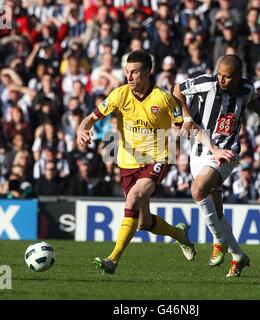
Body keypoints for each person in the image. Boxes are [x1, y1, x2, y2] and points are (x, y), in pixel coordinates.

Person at [76, 50, 195, 274]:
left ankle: (112, 260)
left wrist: (184, 131)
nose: (129, 77)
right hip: (127, 162)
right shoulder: (120, 94)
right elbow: (90, 118)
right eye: (127, 72)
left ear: (148, 72)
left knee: (133, 198)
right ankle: (180, 234)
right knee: (142, 222)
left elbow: (182, 123)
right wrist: (82, 130)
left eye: (135, 72)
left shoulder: (162, 98)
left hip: (157, 158)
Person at [172, 54, 260, 277]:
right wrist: (186, 116)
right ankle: (239, 256)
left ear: (238, 77)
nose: (221, 80)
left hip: (226, 152)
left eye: (227, 77)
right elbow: (176, 89)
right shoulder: (206, 83)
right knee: (217, 213)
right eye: (219, 75)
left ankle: (218, 241)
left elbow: (252, 101)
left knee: (197, 190)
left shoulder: (247, 88)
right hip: (198, 150)